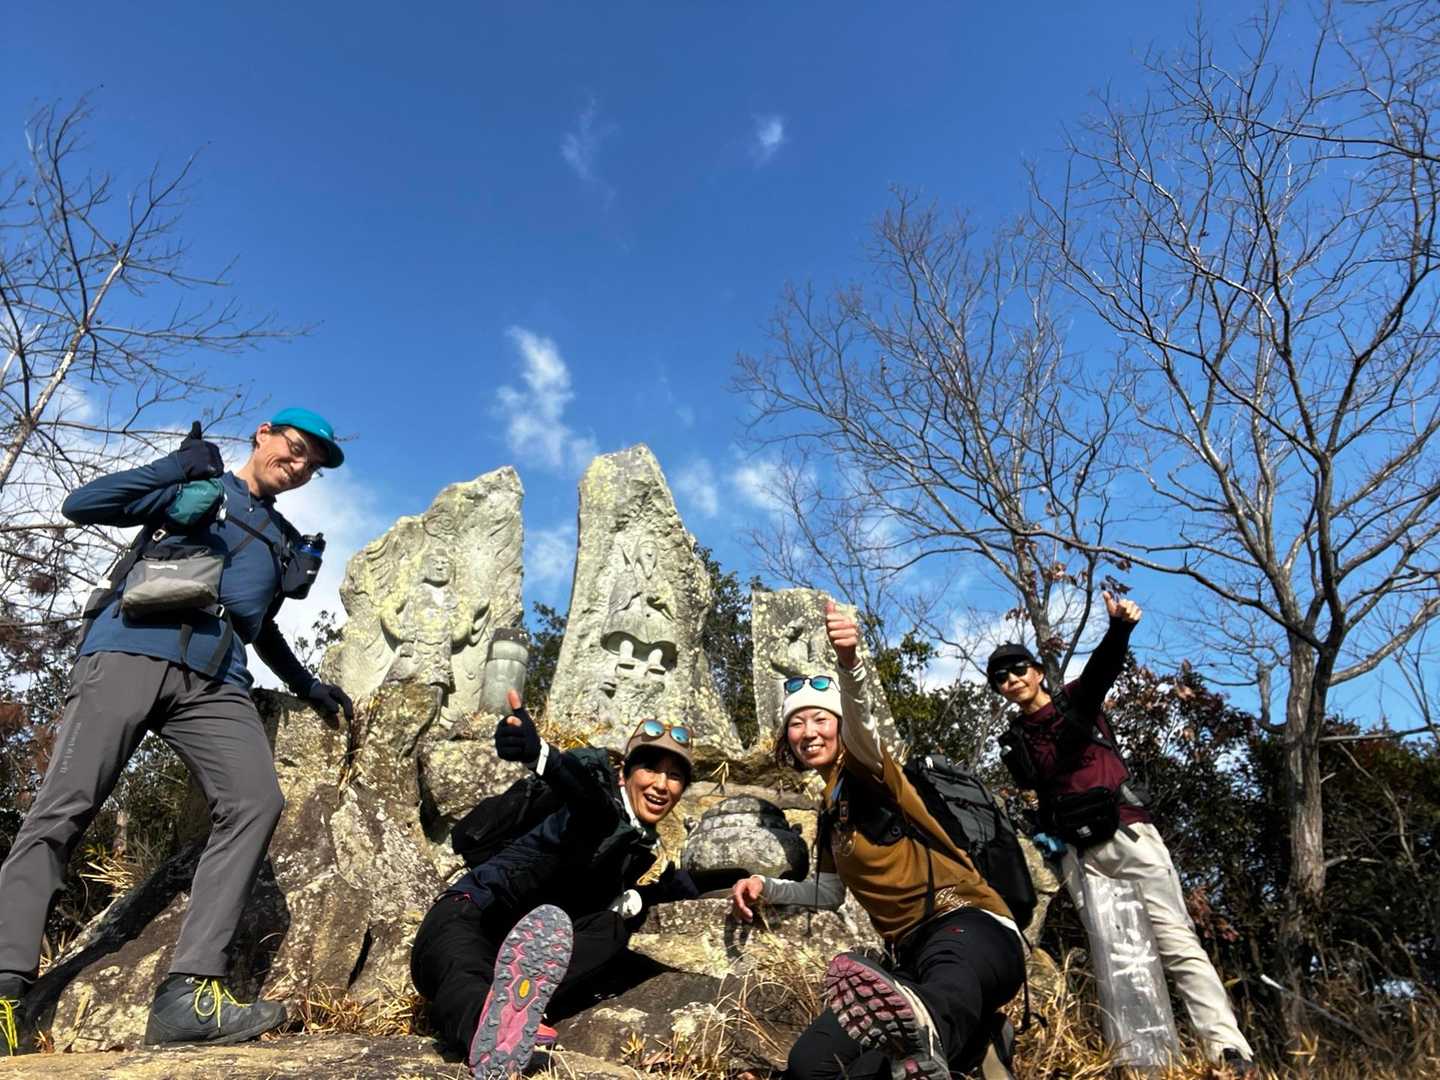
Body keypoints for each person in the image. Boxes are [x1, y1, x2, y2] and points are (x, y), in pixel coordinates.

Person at [0, 409, 355, 1053]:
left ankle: (187, 995)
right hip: (129, 651)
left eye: (313, 464)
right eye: (296, 448)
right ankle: (4, 988)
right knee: (63, 808)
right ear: (265, 435)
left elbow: (259, 626)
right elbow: (82, 505)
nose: (300, 465)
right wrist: (174, 466)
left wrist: (306, 684)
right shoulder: (200, 487)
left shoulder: (280, 539)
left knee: (255, 800)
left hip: (216, 681)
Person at [732, 602, 1026, 1080]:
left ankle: (959, 1040)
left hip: (970, 928)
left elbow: (863, 724)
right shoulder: (830, 812)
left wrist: (850, 664)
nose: (809, 733)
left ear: (839, 725)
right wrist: (766, 886)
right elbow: (827, 894)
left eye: (821, 720)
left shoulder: (870, 770)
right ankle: (977, 1046)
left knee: (933, 1013)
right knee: (811, 1066)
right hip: (908, 964)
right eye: (797, 723)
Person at [988, 591, 1256, 1074]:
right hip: (1080, 856)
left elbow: (1103, 668)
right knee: (1118, 959)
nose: (1012, 680)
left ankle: (1228, 1051)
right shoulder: (1016, 742)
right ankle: (1144, 1062)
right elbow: (1041, 791)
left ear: (1037, 671)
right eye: (1001, 677)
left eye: (1018, 669)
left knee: (1176, 943)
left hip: (1128, 834)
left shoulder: (1076, 701)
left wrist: (1119, 628)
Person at [411, 689, 736, 1080]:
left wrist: (751, 880)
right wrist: (541, 756)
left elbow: (668, 889)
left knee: (611, 927)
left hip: (512, 954)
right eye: (651, 768)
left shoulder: (631, 851)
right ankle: (496, 1028)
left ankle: (516, 1009)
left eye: (675, 776)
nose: (661, 785)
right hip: (467, 916)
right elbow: (587, 799)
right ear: (624, 774)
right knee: (466, 978)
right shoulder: (594, 809)